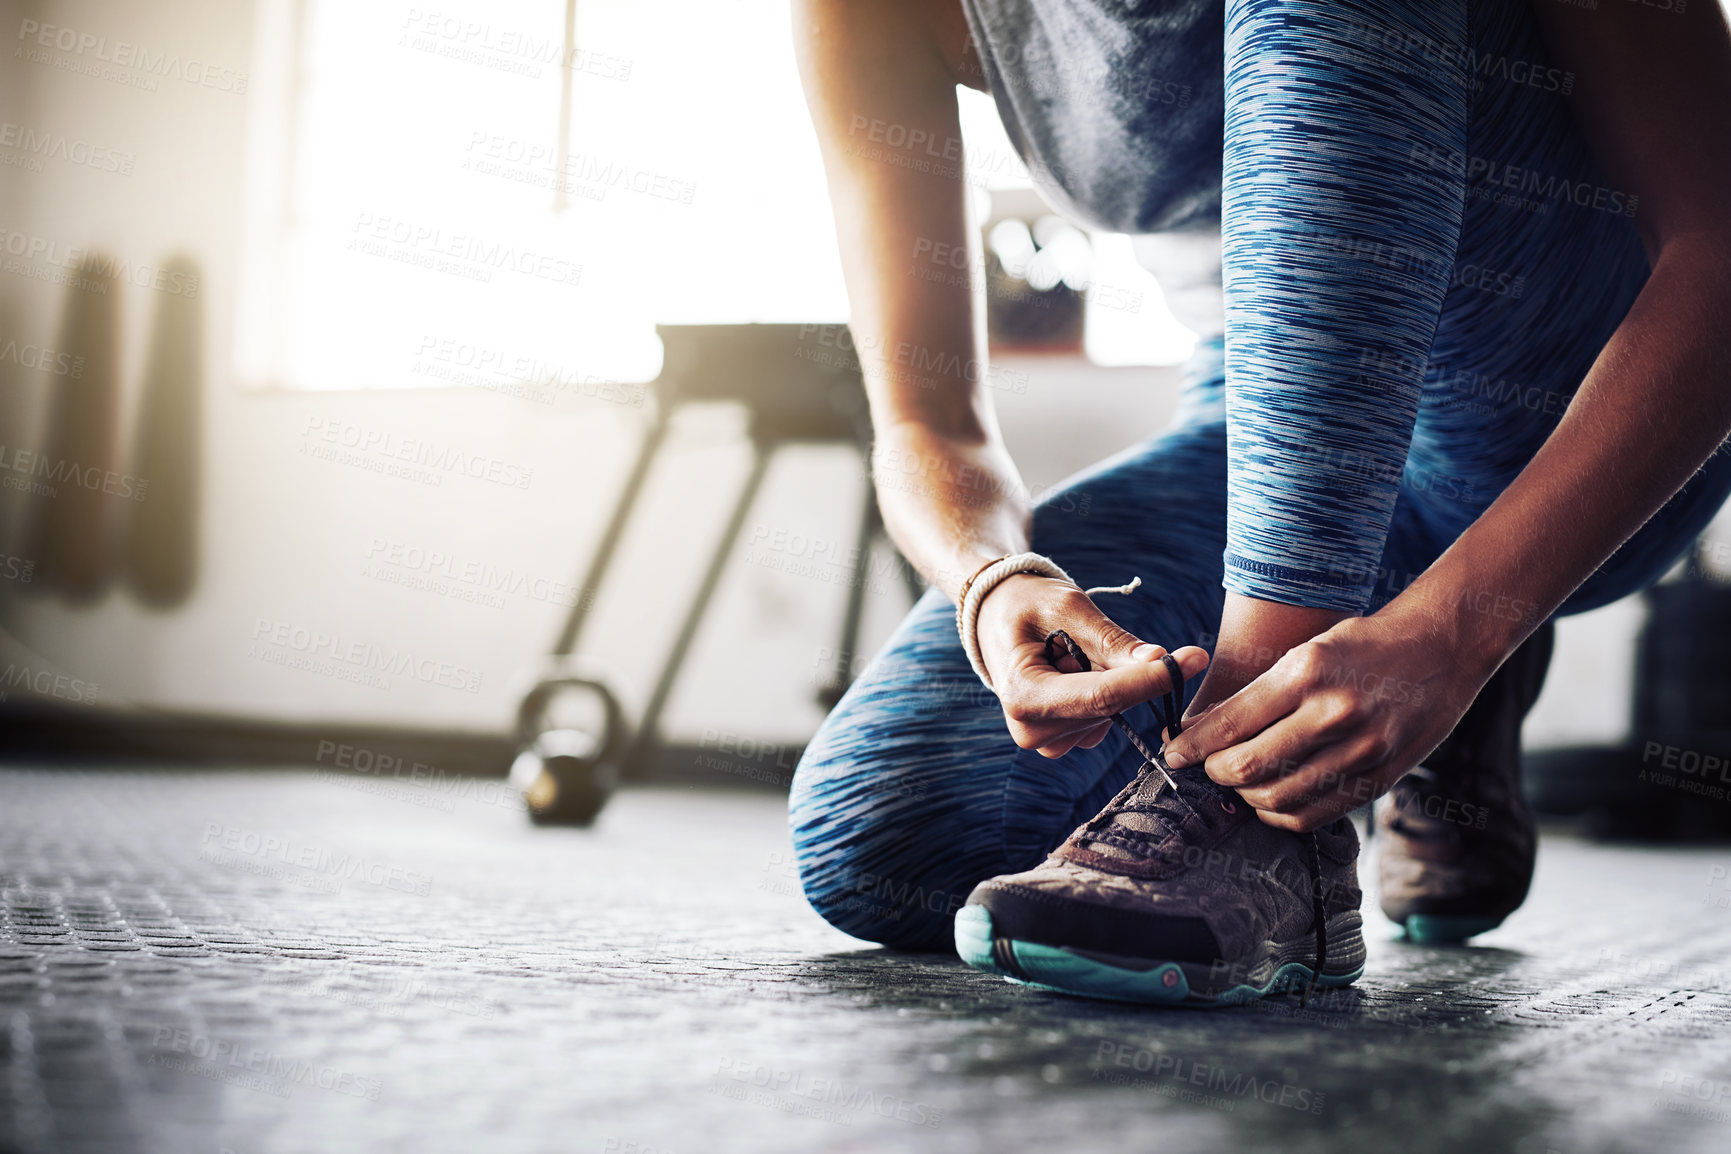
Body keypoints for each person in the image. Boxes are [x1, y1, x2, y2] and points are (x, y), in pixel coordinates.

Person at [787, 0, 1731, 1004]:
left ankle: (1271, 799)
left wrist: (1462, 630)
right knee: (884, 836)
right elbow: (928, 423)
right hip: (1257, 439)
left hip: (1555, 422)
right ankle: (1363, 648)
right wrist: (990, 580)